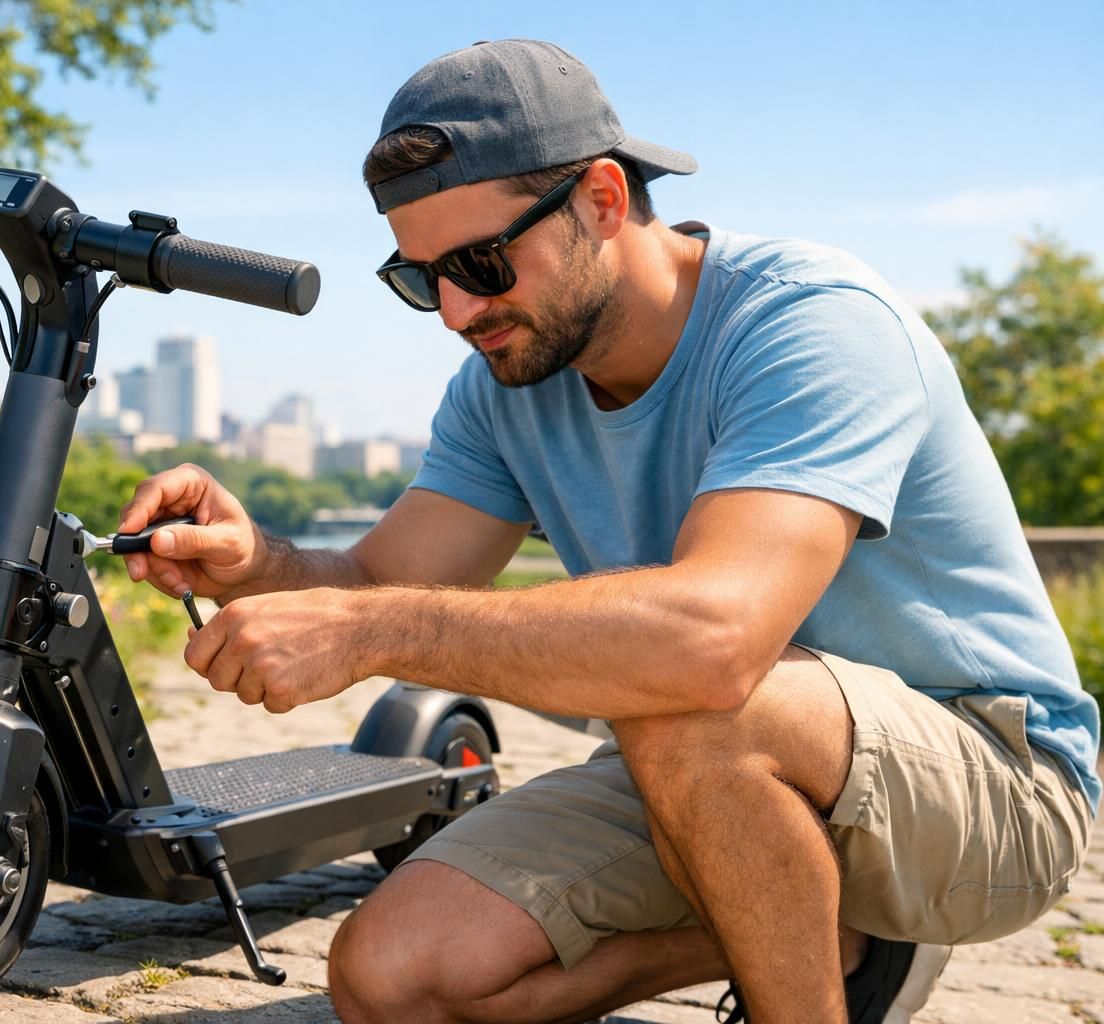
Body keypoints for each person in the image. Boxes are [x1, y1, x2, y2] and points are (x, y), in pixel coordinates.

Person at [115, 39, 1099, 1024]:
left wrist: (377, 635)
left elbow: (712, 646)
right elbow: (377, 577)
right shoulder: (506, 381)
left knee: (683, 687)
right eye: (419, 279)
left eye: (479, 261)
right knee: (394, 980)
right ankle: (824, 933)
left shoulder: (811, 321)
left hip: (992, 783)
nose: (456, 311)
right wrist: (261, 565)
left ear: (602, 200)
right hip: (709, 766)